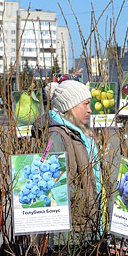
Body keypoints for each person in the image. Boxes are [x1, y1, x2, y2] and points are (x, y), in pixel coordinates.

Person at [42, 79, 101, 220]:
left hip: (87, 219)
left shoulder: (81, 134)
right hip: (73, 226)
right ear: (70, 106)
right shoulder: (56, 136)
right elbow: (54, 184)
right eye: (85, 104)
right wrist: (85, 198)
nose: (89, 110)